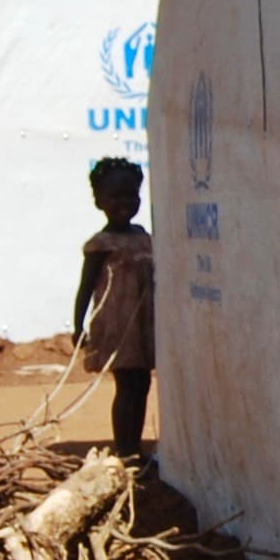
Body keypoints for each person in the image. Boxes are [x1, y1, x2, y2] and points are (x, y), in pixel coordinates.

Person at [73, 156, 156, 454]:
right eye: (115, 197)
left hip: (144, 325)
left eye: (131, 195)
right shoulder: (100, 245)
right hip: (118, 326)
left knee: (142, 383)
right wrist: (77, 326)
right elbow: (85, 288)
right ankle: (124, 448)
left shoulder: (146, 238)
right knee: (126, 385)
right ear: (99, 201)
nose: (125, 203)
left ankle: (134, 445)